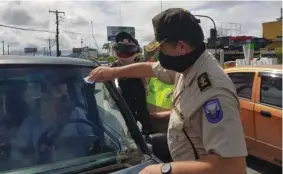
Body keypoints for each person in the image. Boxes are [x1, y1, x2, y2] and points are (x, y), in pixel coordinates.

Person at [88, 8, 247, 174]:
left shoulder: (214, 93)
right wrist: (113, 72)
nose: (160, 55)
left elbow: (232, 166)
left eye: (162, 49)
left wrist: (162, 170)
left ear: (181, 46)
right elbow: (150, 68)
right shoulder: (188, 65)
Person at [10, 76, 94, 167]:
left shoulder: (77, 114)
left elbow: (91, 142)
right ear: (41, 97)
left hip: (79, 166)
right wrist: (31, 159)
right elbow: (17, 153)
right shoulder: (31, 122)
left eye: (63, 96)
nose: (58, 101)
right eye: (50, 98)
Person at [110, 31, 153, 135]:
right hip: (125, 95)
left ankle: (147, 133)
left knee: (144, 115)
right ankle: (132, 136)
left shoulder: (139, 65)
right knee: (129, 119)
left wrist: (145, 87)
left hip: (139, 96)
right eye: (122, 48)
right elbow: (110, 82)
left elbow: (144, 78)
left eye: (129, 48)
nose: (125, 52)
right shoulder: (114, 66)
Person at [144, 48, 173, 133]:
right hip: (150, 124)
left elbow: (182, 113)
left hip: (168, 125)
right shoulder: (151, 77)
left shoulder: (179, 79)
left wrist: (157, 116)